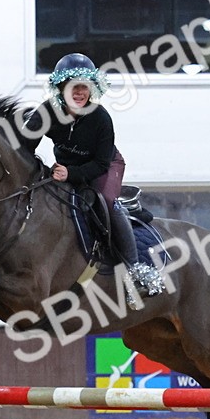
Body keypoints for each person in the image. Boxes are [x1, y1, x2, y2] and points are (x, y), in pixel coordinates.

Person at [28, 53, 162, 296]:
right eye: (73, 86)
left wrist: (70, 173)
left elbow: (100, 165)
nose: (79, 93)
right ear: (60, 88)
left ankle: (135, 272)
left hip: (106, 165)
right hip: (67, 168)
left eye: (84, 87)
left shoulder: (101, 118)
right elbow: (25, 145)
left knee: (106, 204)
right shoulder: (47, 112)